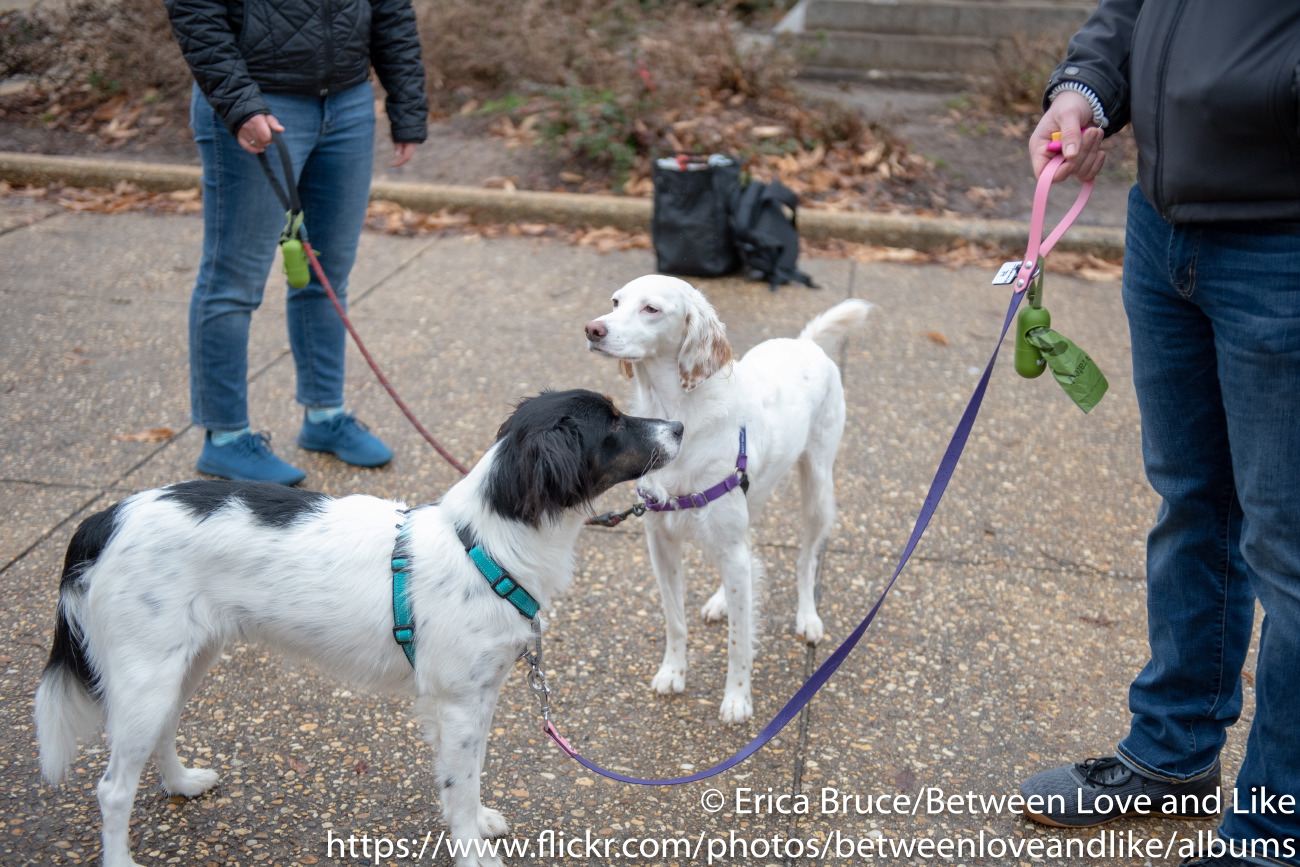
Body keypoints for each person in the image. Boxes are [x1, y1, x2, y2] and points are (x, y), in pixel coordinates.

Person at [1018, 3, 1300, 866]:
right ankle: (1173, 753)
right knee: (1192, 503)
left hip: (1282, 251)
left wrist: (1244, 93)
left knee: (1289, 551)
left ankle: (1275, 830)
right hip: (1163, 230)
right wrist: (1086, 92)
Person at [164, 0, 428, 485]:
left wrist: (407, 106)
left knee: (327, 274)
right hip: (258, 101)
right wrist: (239, 102)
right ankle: (225, 438)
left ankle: (324, 416)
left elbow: (391, 10)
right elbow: (196, 11)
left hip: (348, 102)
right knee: (233, 282)